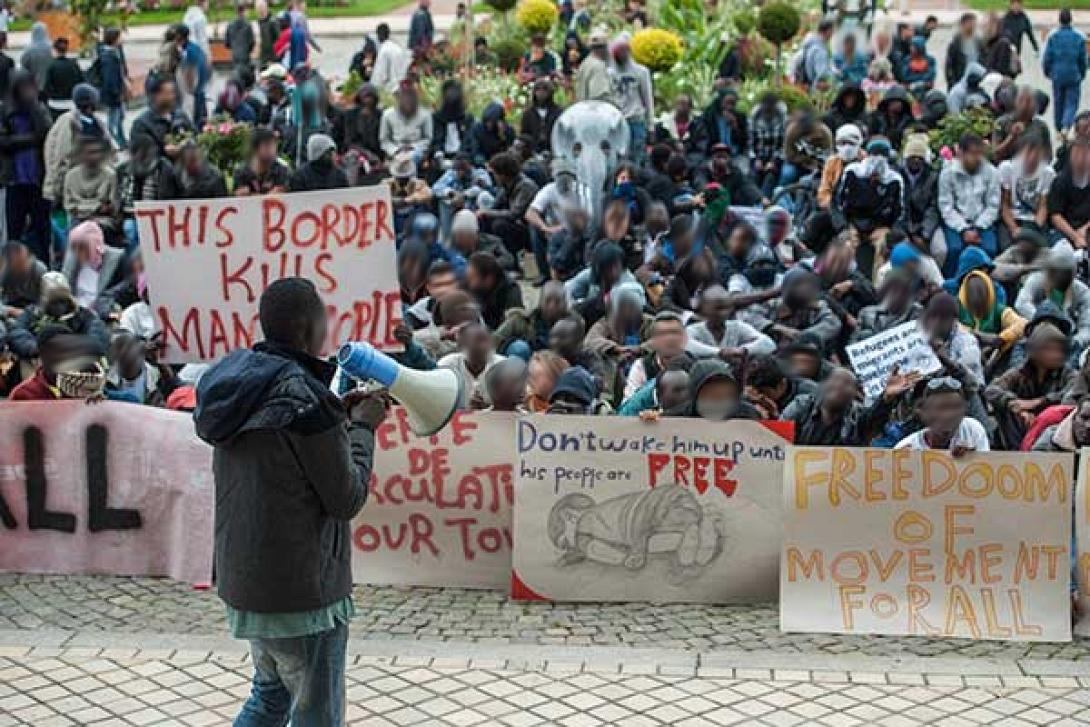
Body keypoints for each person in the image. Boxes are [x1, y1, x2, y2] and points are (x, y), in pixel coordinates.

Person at [194, 278, 383, 727]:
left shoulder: (238, 383)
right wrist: (362, 428)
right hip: (301, 596)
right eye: (323, 317)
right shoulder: (307, 403)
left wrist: (338, 414)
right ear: (307, 327)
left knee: (270, 697)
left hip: (249, 583)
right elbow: (346, 497)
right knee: (316, 715)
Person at [985, 309, 1075, 449]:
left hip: (1052, 437)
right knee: (1006, 412)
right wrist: (1014, 405)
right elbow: (992, 389)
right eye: (1049, 349)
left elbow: (1074, 392)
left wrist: (1037, 403)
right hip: (1020, 430)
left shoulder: (1066, 373)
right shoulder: (1021, 372)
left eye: (1059, 349)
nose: (1056, 354)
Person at [782, 366, 916, 446]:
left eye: (847, 383)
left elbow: (873, 420)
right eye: (835, 380)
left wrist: (887, 397)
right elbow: (778, 441)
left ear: (855, 394)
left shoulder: (858, 415)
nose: (839, 385)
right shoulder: (801, 406)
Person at [0, 70, 52, 262]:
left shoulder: (38, 109)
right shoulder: (6, 110)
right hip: (15, 179)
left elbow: (46, 133)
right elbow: (3, 142)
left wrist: (34, 108)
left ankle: (45, 266)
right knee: (14, 230)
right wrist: (28, 140)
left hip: (37, 179)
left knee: (42, 229)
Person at [836, 136, 904, 281]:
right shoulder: (852, 172)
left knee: (884, 246)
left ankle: (876, 288)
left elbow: (899, 212)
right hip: (854, 223)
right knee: (847, 245)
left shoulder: (894, 180)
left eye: (882, 156)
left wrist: (892, 232)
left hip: (879, 226)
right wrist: (842, 225)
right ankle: (845, 283)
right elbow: (837, 202)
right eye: (874, 155)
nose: (878, 160)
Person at [938, 132, 1000, 277]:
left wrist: (978, 227)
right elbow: (946, 207)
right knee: (954, 249)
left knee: (989, 249)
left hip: (982, 223)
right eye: (972, 154)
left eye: (979, 154)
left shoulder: (991, 172)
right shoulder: (948, 173)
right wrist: (963, 229)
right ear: (961, 153)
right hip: (956, 223)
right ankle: (952, 285)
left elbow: (992, 205)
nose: (976, 158)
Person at [1015, 242, 1090, 358]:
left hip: (1069, 341)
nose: (1060, 276)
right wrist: (1045, 321)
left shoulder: (1082, 291)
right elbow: (1021, 303)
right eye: (1057, 271)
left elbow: (1087, 327)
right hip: (1037, 335)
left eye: (1065, 272)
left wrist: (1076, 341)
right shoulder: (1036, 280)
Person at [895, 377, 991, 453]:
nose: (948, 415)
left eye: (956, 407)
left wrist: (971, 460)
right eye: (940, 408)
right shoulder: (905, 448)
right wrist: (906, 463)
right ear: (925, 411)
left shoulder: (972, 429)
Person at [685, 284, 775, 360]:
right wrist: (720, 352)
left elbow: (768, 343)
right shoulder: (693, 330)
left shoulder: (737, 326)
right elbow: (685, 344)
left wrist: (744, 350)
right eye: (718, 308)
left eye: (727, 308)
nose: (723, 313)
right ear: (704, 309)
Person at [610, 33, 654, 165]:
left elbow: (648, 99)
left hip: (636, 121)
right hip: (617, 122)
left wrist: (650, 126)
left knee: (636, 159)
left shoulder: (641, 72)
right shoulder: (610, 73)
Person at [1042, 8, 1088, 132]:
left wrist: (1047, 72)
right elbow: (1083, 59)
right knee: (1072, 102)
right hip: (1073, 74)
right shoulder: (1078, 38)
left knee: (1058, 102)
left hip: (1057, 74)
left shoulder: (1053, 38)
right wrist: (1082, 73)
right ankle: (1066, 124)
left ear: (1059, 20)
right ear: (1071, 20)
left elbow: (1047, 57)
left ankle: (1058, 126)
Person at [130, 75, 193, 160]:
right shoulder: (141, 125)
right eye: (169, 93)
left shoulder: (180, 115)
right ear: (157, 96)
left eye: (174, 92)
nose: (173, 96)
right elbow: (145, 159)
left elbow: (194, 134)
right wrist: (166, 152)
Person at [63, 137, 118, 234]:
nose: (96, 156)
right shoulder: (71, 176)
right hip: (78, 219)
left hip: (102, 219)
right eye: (91, 152)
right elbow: (70, 206)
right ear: (82, 155)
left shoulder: (110, 175)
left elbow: (112, 206)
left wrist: (89, 210)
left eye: (98, 152)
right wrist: (95, 208)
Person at [1046, 137, 1090, 248]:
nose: (1081, 159)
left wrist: (1085, 230)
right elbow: (1055, 216)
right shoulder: (1060, 180)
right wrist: (1075, 237)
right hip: (1064, 231)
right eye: (1077, 154)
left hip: (1087, 228)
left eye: (1084, 154)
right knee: (1061, 254)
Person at [97, 28, 130, 151]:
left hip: (116, 92)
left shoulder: (114, 52)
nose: (122, 39)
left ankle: (121, 141)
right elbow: (110, 78)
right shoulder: (109, 57)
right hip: (113, 94)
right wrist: (117, 92)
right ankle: (112, 141)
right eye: (120, 37)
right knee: (113, 120)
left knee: (120, 117)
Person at [234, 127, 290, 196]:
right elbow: (240, 196)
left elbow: (281, 193)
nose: (272, 150)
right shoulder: (241, 172)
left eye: (274, 145)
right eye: (267, 146)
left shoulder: (281, 170)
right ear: (255, 149)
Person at [175, 23, 211, 128]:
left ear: (179, 36)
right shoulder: (195, 47)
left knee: (197, 119)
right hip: (202, 86)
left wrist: (189, 89)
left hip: (196, 88)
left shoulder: (187, 51)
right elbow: (207, 64)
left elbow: (189, 71)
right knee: (203, 115)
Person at [43, 37, 83, 121]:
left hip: (55, 104)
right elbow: (81, 82)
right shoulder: (74, 65)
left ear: (54, 50)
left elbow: (47, 87)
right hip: (71, 103)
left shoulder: (51, 66)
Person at [944, 12, 984, 88]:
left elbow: (984, 59)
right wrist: (952, 83)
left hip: (977, 81)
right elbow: (949, 66)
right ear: (963, 24)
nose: (973, 25)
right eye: (971, 23)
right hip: (960, 81)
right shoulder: (955, 43)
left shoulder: (979, 42)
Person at [575, 29, 613, 103]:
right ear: (604, 47)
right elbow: (599, 96)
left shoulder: (585, 63)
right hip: (595, 111)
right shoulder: (598, 66)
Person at [371, 24, 409, 93]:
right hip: (402, 86)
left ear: (378, 35)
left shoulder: (383, 50)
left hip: (391, 89)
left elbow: (381, 75)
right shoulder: (397, 47)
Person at [225, 3, 255, 75]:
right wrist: (248, 50)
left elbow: (227, 43)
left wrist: (234, 47)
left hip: (235, 55)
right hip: (245, 56)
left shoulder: (230, 25)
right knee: (245, 76)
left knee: (236, 76)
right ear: (244, 11)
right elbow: (252, 42)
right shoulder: (248, 25)